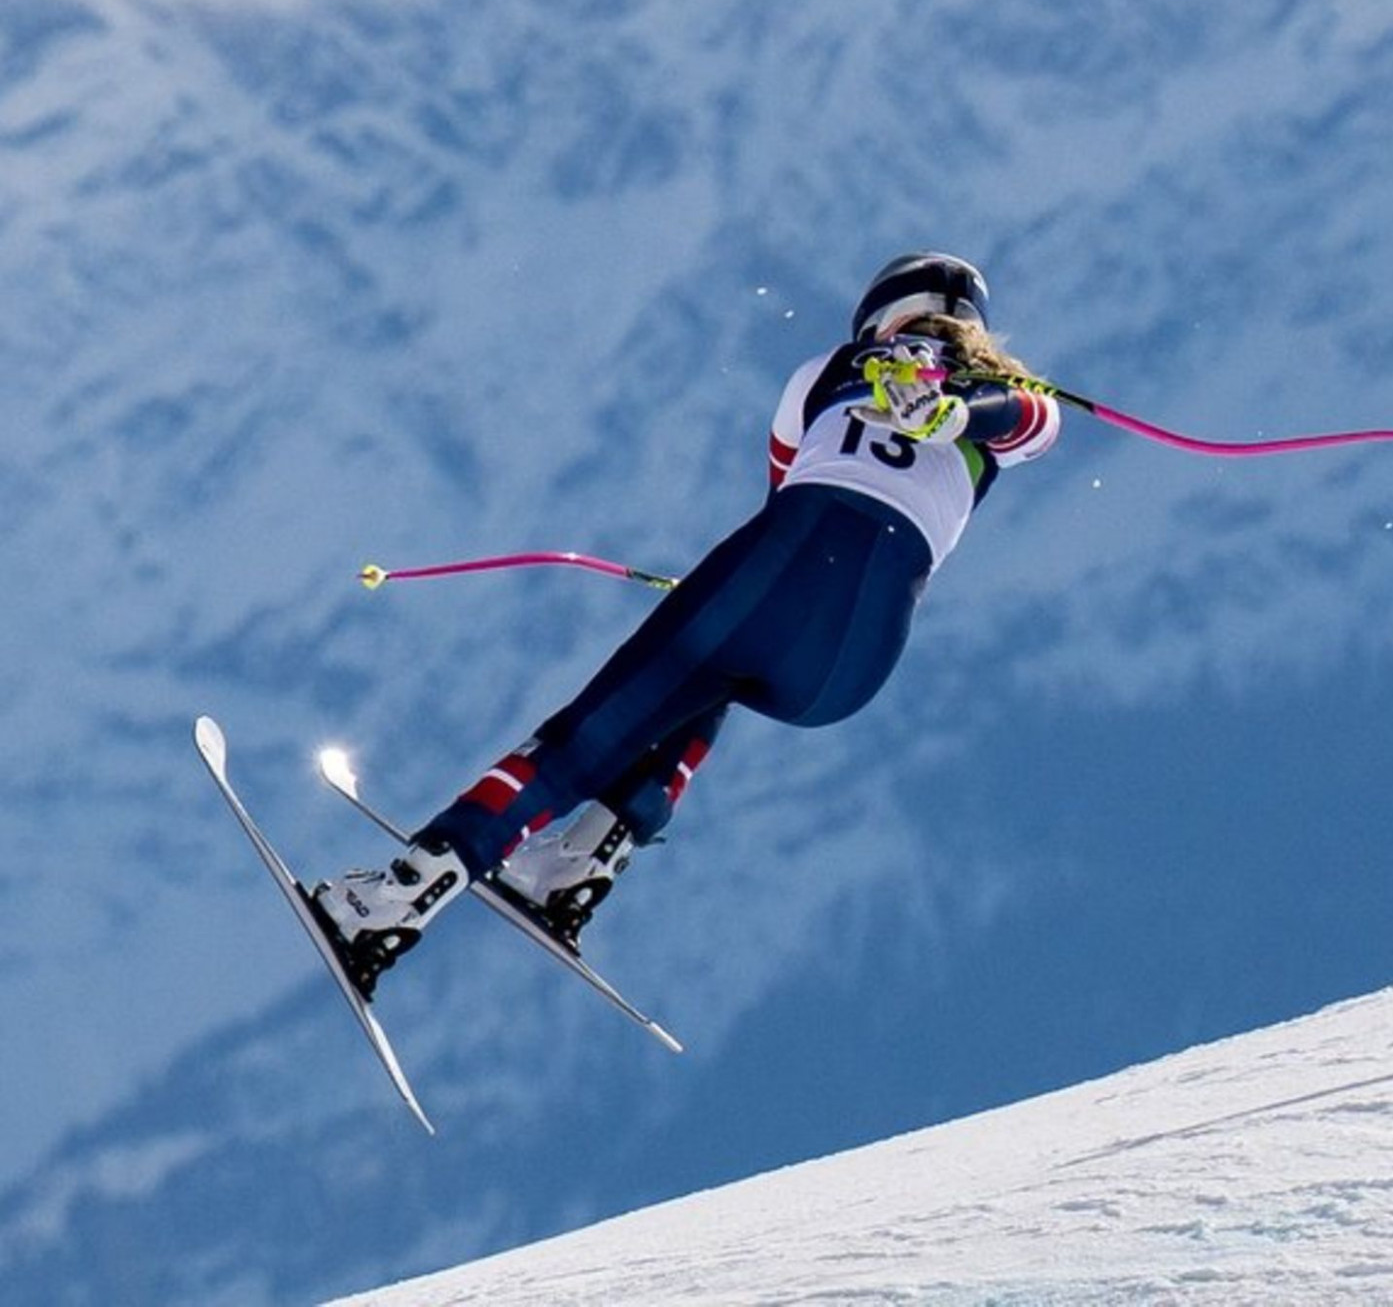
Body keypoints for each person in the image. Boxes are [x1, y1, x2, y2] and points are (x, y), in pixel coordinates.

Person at [313, 252, 1061, 997]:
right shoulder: (1012, 400)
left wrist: (734, 593)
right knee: (716, 679)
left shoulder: (831, 370)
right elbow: (1029, 419)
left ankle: (391, 903)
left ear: (877, 315)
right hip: (852, 670)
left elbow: (786, 494)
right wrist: (958, 415)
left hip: (779, 569)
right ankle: (581, 861)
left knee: (589, 739)